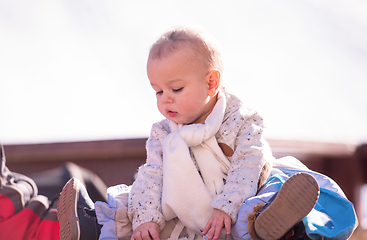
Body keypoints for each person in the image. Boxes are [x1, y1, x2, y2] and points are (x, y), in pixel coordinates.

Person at [57, 25, 358, 240]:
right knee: (131, 202)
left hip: (239, 197)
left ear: (211, 83)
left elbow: (247, 166)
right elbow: (151, 175)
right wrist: (146, 218)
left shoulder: (241, 120)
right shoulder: (163, 134)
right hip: (188, 210)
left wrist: (225, 207)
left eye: (175, 89)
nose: (165, 99)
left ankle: (273, 226)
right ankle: (90, 224)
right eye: (158, 91)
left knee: (264, 198)